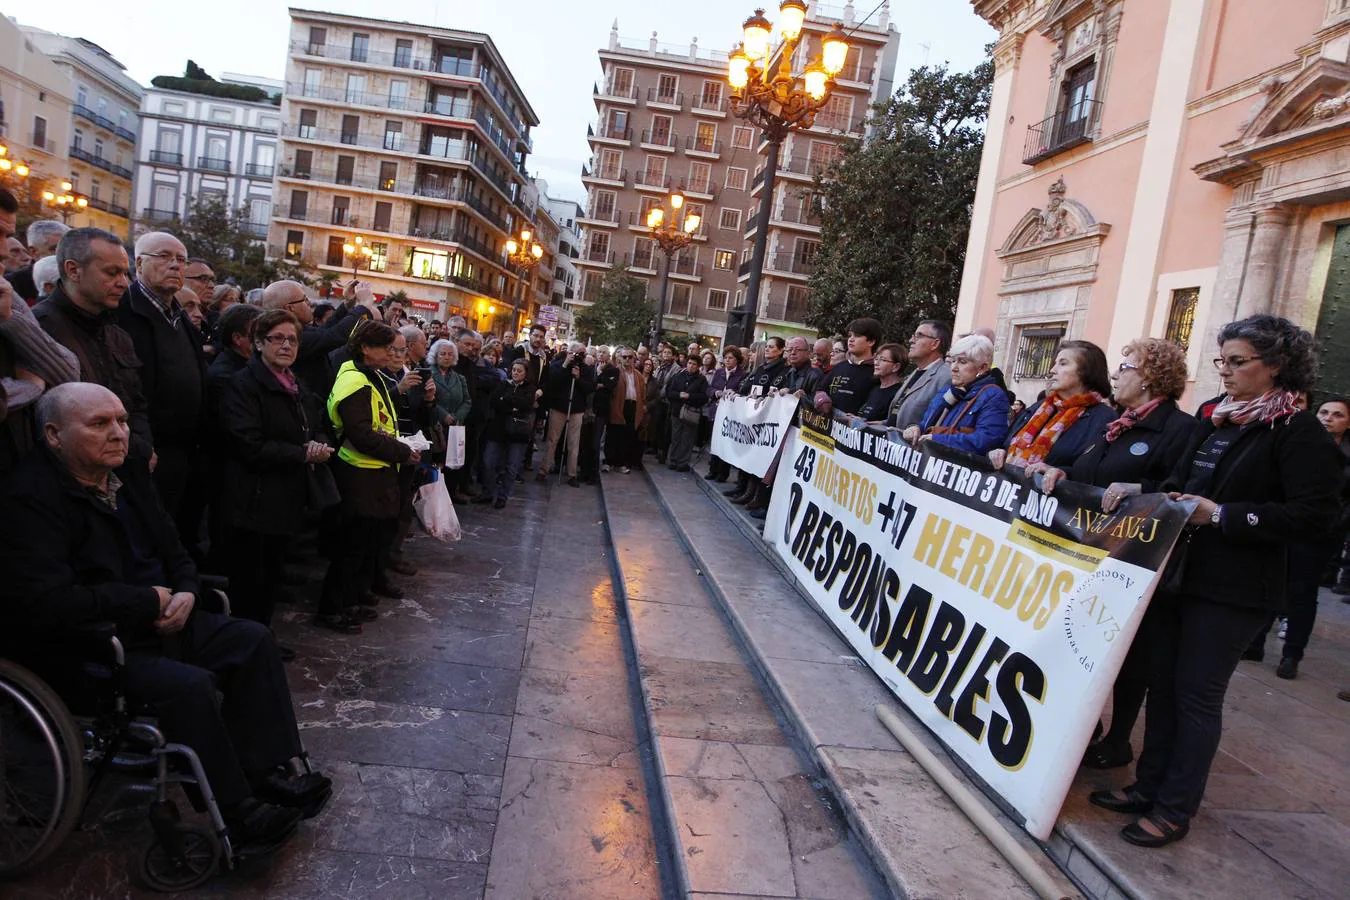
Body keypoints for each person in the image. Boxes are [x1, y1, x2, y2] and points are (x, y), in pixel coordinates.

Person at [0, 383, 331, 851]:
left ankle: (266, 772)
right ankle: (237, 810)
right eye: (100, 424)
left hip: (163, 616)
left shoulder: (129, 473)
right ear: (54, 435)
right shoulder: (28, 499)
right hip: (92, 645)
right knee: (187, 686)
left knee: (252, 639)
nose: (118, 433)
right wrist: (144, 602)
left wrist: (188, 594)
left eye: (121, 420)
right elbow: (47, 600)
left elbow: (175, 549)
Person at [1088, 315, 1341, 848]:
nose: (1224, 371)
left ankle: (1175, 808)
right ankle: (1146, 786)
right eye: (1221, 360)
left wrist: (1224, 515)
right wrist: (1159, 493)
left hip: (1235, 588)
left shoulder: (1299, 432)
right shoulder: (1215, 418)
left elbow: (1312, 516)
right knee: (1162, 684)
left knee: (1195, 697)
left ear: (1276, 365)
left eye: (1237, 361)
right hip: (1181, 574)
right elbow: (1181, 478)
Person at [1028, 338, 1196, 770]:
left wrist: (1141, 490)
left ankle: (1117, 738)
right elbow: (1089, 473)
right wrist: (1061, 473)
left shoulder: (1179, 429)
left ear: (1151, 378)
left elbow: (1178, 487)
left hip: (1131, 563)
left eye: (1128, 366)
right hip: (1089, 554)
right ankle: (1083, 726)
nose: (1118, 374)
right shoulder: (1117, 424)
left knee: (1130, 659)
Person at [219, 309, 330, 643]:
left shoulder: (296, 384)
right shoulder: (244, 384)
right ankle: (246, 643)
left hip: (286, 498)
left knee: (270, 578)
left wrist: (319, 444)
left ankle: (261, 639)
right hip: (254, 500)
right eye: (277, 338)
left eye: (292, 339)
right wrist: (302, 453)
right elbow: (247, 444)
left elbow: (317, 424)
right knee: (250, 580)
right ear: (258, 342)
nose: (286, 345)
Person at [318, 323, 417, 634]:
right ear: (365, 348)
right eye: (385, 347)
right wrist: (401, 451)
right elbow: (361, 434)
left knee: (362, 546)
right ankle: (332, 609)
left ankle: (350, 600)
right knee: (350, 548)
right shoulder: (354, 381)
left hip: (373, 474)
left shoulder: (368, 375)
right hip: (357, 474)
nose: (392, 353)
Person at [1243, 395, 1350, 678]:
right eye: (1324, 412)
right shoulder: (1299, 443)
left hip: (1319, 536)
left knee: (1303, 593)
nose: (1328, 418)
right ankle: (1255, 643)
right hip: (1287, 527)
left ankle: (1292, 654)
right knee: (1274, 582)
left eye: (1337, 414)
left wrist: (1333, 526)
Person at [119, 232, 208, 545]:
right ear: (140, 262)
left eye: (181, 260)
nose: (175, 266)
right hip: (147, 449)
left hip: (183, 450)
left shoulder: (178, 315)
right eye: (165, 257)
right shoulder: (123, 313)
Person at [35, 227, 153, 461]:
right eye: (112, 273)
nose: (123, 283)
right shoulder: (39, 330)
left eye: (125, 274)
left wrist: (141, 448)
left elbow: (136, 403)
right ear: (73, 270)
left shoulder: (117, 334)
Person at [990, 340, 1114, 471]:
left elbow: (1094, 472)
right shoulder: (1038, 408)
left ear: (1085, 371)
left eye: (1063, 364)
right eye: (1055, 363)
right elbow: (1007, 444)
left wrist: (1061, 473)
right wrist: (998, 452)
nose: (1052, 370)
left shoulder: (1103, 418)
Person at [259, 280, 377, 399]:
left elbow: (325, 330)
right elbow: (333, 336)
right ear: (290, 308)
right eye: (304, 299)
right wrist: (363, 305)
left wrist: (347, 304)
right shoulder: (288, 338)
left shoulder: (299, 330)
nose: (309, 302)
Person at [902, 335, 1010, 452]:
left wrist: (937, 440)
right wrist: (914, 428)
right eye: (953, 360)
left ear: (982, 367)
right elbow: (926, 425)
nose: (954, 367)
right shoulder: (948, 390)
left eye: (962, 362)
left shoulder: (993, 396)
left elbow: (988, 440)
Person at [537, 342, 594, 486]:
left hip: (576, 409)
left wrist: (578, 378)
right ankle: (544, 469)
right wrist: (565, 365)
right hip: (559, 407)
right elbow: (553, 381)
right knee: (552, 440)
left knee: (573, 443)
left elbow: (589, 388)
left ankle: (571, 474)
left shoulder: (586, 369)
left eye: (583, 353)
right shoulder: (558, 364)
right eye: (578, 353)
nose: (581, 356)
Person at [482, 358, 536, 507]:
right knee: (489, 462)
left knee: (512, 467)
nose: (516, 373)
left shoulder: (530, 388)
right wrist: (510, 406)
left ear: (526, 373)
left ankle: (502, 496)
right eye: (514, 370)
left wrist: (506, 401)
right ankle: (487, 492)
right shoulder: (503, 384)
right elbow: (494, 401)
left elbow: (525, 404)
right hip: (497, 430)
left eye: (519, 371)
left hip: (518, 433)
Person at [889, 320, 953, 430]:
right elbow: (896, 418)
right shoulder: (915, 373)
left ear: (935, 344)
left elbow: (937, 423)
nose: (911, 340)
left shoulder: (945, 377)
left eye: (919, 335)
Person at [822, 318, 881, 416]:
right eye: (850, 335)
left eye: (857, 336)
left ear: (871, 342)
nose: (851, 339)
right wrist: (821, 398)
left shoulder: (877, 372)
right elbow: (821, 390)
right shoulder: (839, 367)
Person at [704, 346, 746, 483]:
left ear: (737, 359)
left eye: (731, 358)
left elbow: (742, 392)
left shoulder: (742, 374)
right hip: (716, 411)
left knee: (726, 444)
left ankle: (723, 473)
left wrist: (733, 394)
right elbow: (709, 389)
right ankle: (713, 470)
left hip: (731, 415)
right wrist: (716, 393)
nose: (727, 360)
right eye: (726, 357)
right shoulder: (719, 372)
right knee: (714, 441)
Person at [6, 220, 69, 304]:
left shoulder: (80, 277)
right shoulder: (11, 284)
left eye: (69, 248)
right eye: (56, 249)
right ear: (34, 252)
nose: (66, 254)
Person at [665, 354, 709, 473]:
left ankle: (683, 462)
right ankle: (673, 460)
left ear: (698, 366)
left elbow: (704, 397)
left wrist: (690, 396)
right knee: (675, 437)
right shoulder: (678, 376)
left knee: (687, 438)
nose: (691, 366)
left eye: (694, 364)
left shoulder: (701, 380)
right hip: (677, 411)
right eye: (689, 363)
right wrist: (679, 395)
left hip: (691, 412)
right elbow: (669, 392)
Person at [606, 347, 647, 474]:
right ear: (620, 358)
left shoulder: (638, 375)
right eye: (624, 357)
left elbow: (642, 394)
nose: (627, 359)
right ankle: (609, 461)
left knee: (627, 435)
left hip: (632, 406)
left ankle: (621, 463)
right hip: (618, 406)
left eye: (630, 357)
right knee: (613, 434)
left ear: (634, 359)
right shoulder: (615, 372)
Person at [429, 337, 471, 442]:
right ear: (435, 355)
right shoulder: (428, 374)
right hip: (433, 427)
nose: (446, 357)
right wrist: (443, 415)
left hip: (454, 429)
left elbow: (467, 401)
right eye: (442, 354)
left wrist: (456, 417)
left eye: (450, 354)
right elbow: (425, 399)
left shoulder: (460, 378)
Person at [855, 343, 906, 424]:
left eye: (883, 360)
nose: (876, 363)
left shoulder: (899, 393)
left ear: (896, 367)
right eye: (876, 359)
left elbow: (896, 422)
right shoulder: (875, 389)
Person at [649, 345, 679, 463]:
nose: (666, 354)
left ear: (673, 355)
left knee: (665, 428)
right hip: (658, 400)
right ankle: (655, 448)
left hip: (667, 401)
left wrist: (661, 393)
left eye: (668, 352)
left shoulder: (676, 369)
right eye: (664, 352)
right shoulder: (660, 366)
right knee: (657, 425)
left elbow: (670, 383)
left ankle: (663, 451)